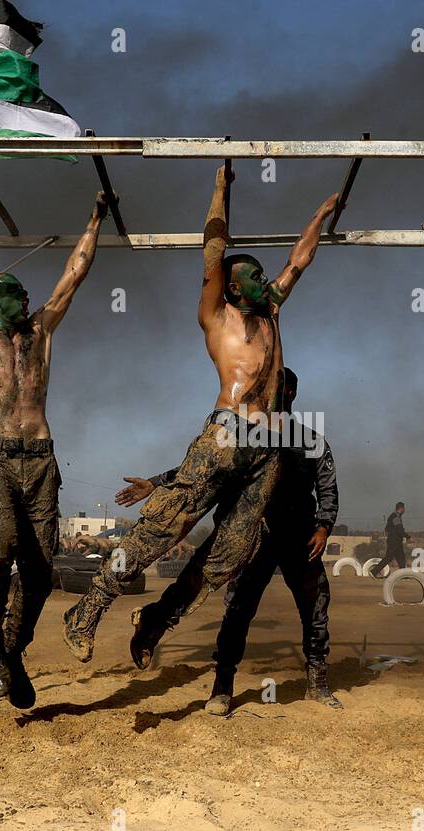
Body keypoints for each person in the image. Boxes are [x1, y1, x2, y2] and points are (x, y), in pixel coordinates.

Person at [64, 164, 338, 670]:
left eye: (262, 274)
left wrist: (320, 215)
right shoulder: (218, 316)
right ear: (231, 289)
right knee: (158, 532)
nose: (264, 280)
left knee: (228, 555)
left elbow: (301, 259)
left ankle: (155, 620)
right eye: (252, 276)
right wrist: (220, 191)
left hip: (267, 452)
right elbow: (213, 250)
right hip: (225, 437)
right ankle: (87, 610)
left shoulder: (272, 310)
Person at [0, 166, 107, 708]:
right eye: (15, 294)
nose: (26, 300)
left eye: (26, 294)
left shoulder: (40, 333)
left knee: (43, 572)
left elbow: (74, 274)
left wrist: (95, 218)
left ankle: (11, 649)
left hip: (41, 458)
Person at [116, 368, 341, 715]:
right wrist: (155, 482)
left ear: (292, 393)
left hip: (299, 537)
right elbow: (201, 471)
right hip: (253, 537)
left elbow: (327, 487)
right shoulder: (245, 437)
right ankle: (222, 688)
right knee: (238, 611)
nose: (268, 393)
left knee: (314, 609)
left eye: (276, 388)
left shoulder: (310, 439)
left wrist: (324, 527)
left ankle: (318, 684)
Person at [371, 502, 408, 576]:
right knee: (389, 558)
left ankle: (403, 575)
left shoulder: (394, 516)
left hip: (395, 541)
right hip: (394, 542)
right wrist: (407, 536)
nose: (404, 510)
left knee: (401, 559)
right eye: (404, 508)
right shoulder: (395, 517)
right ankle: (374, 572)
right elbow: (399, 529)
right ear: (401, 508)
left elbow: (387, 528)